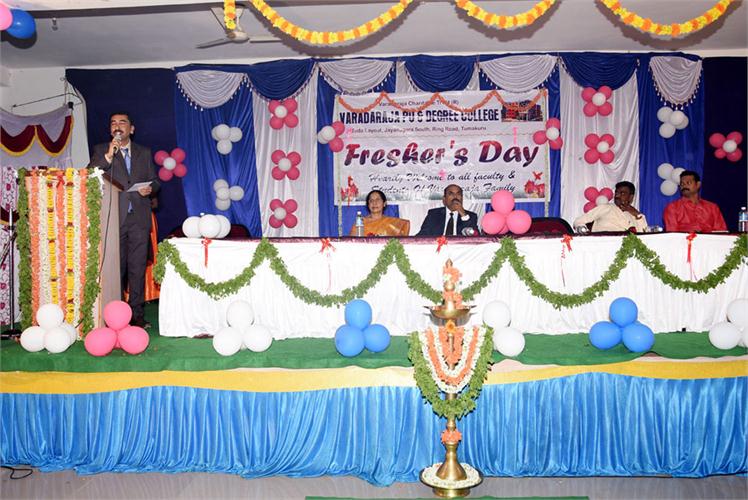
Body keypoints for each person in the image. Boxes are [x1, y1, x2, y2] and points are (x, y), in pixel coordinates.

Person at [89, 112, 159, 328]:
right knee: (115, 270)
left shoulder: (143, 152)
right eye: (113, 123)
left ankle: (137, 315)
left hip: (138, 218)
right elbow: (90, 174)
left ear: (132, 129)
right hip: (113, 220)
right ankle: (116, 316)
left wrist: (150, 188)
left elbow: (155, 181)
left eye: (122, 122)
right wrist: (109, 156)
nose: (117, 126)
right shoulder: (102, 150)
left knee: (137, 269)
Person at [573, 181, 648, 233]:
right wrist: (583, 231)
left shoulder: (635, 215)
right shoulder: (605, 208)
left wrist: (636, 214)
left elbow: (644, 234)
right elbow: (578, 221)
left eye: (622, 193)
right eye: (616, 192)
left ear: (631, 197)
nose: (617, 196)